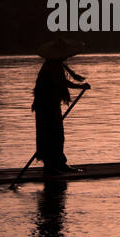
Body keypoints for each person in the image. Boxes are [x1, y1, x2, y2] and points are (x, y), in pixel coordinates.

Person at [32, 38, 90, 174]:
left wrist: (80, 86)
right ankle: (54, 165)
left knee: (52, 135)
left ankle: (54, 164)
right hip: (47, 107)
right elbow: (62, 83)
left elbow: (62, 82)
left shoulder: (54, 65)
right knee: (54, 135)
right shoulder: (51, 67)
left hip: (48, 106)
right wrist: (80, 86)